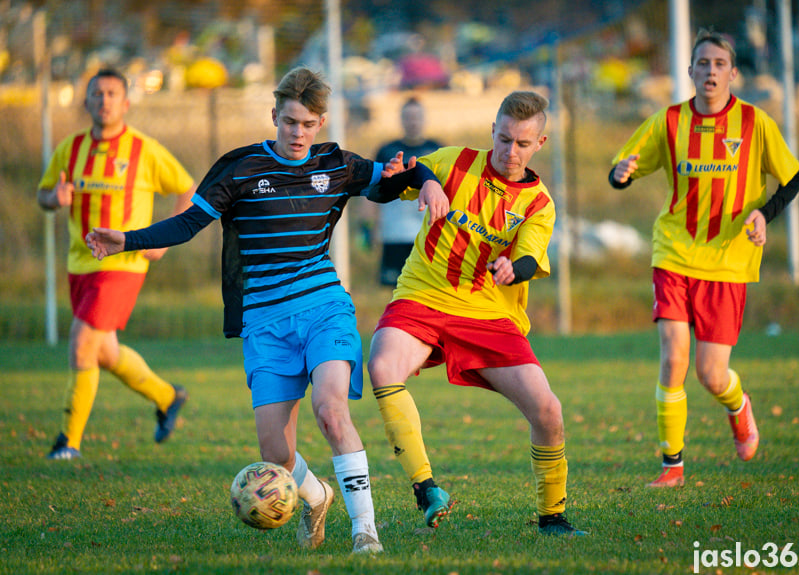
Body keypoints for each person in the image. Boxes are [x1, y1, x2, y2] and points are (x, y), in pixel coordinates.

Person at [86, 67, 449, 553]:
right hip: (265, 321)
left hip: (325, 308)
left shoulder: (336, 164)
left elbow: (387, 183)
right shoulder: (238, 169)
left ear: (320, 123)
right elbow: (189, 223)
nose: (298, 133)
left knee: (331, 409)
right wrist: (125, 240)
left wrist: (422, 180)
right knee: (276, 453)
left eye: (308, 124)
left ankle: (366, 530)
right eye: (291, 122)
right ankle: (316, 496)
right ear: (275, 115)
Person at [367, 90, 585, 536]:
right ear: (493, 130)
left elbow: (529, 259)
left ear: (539, 144)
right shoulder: (456, 161)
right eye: (504, 139)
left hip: (488, 313)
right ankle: (426, 488)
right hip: (423, 296)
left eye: (522, 144)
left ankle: (553, 517)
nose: (510, 151)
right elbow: (392, 185)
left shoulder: (538, 203)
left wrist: (512, 268)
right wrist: (415, 180)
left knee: (548, 411)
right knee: (382, 365)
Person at [608, 29, 799, 487]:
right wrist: (621, 175)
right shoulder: (669, 121)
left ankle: (738, 407)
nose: (711, 71)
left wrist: (762, 213)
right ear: (690, 71)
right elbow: (625, 168)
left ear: (733, 73)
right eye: (703, 63)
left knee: (711, 374)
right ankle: (672, 467)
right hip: (674, 252)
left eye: (720, 63)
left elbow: (793, 178)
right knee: (673, 357)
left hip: (728, 261)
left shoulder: (756, 124)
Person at [37, 68, 195, 461]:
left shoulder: (144, 149)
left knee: (82, 343)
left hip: (122, 263)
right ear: (87, 101)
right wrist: (53, 199)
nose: (104, 100)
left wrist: (165, 240)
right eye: (97, 93)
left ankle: (67, 443)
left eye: (112, 94)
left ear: (125, 103)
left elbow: (187, 188)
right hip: (80, 264)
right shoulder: (69, 149)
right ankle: (167, 396)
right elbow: (43, 195)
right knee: (103, 352)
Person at [374, 96, 442, 286]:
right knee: (395, 289)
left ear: (424, 119)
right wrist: (368, 227)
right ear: (401, 119)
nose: (413, 122)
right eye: (408, 117)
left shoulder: (438, 150)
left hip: (427, 234)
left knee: (427, 288)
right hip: (394, 234)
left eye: (417, 117)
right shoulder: (387, 151)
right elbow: (372, 192)